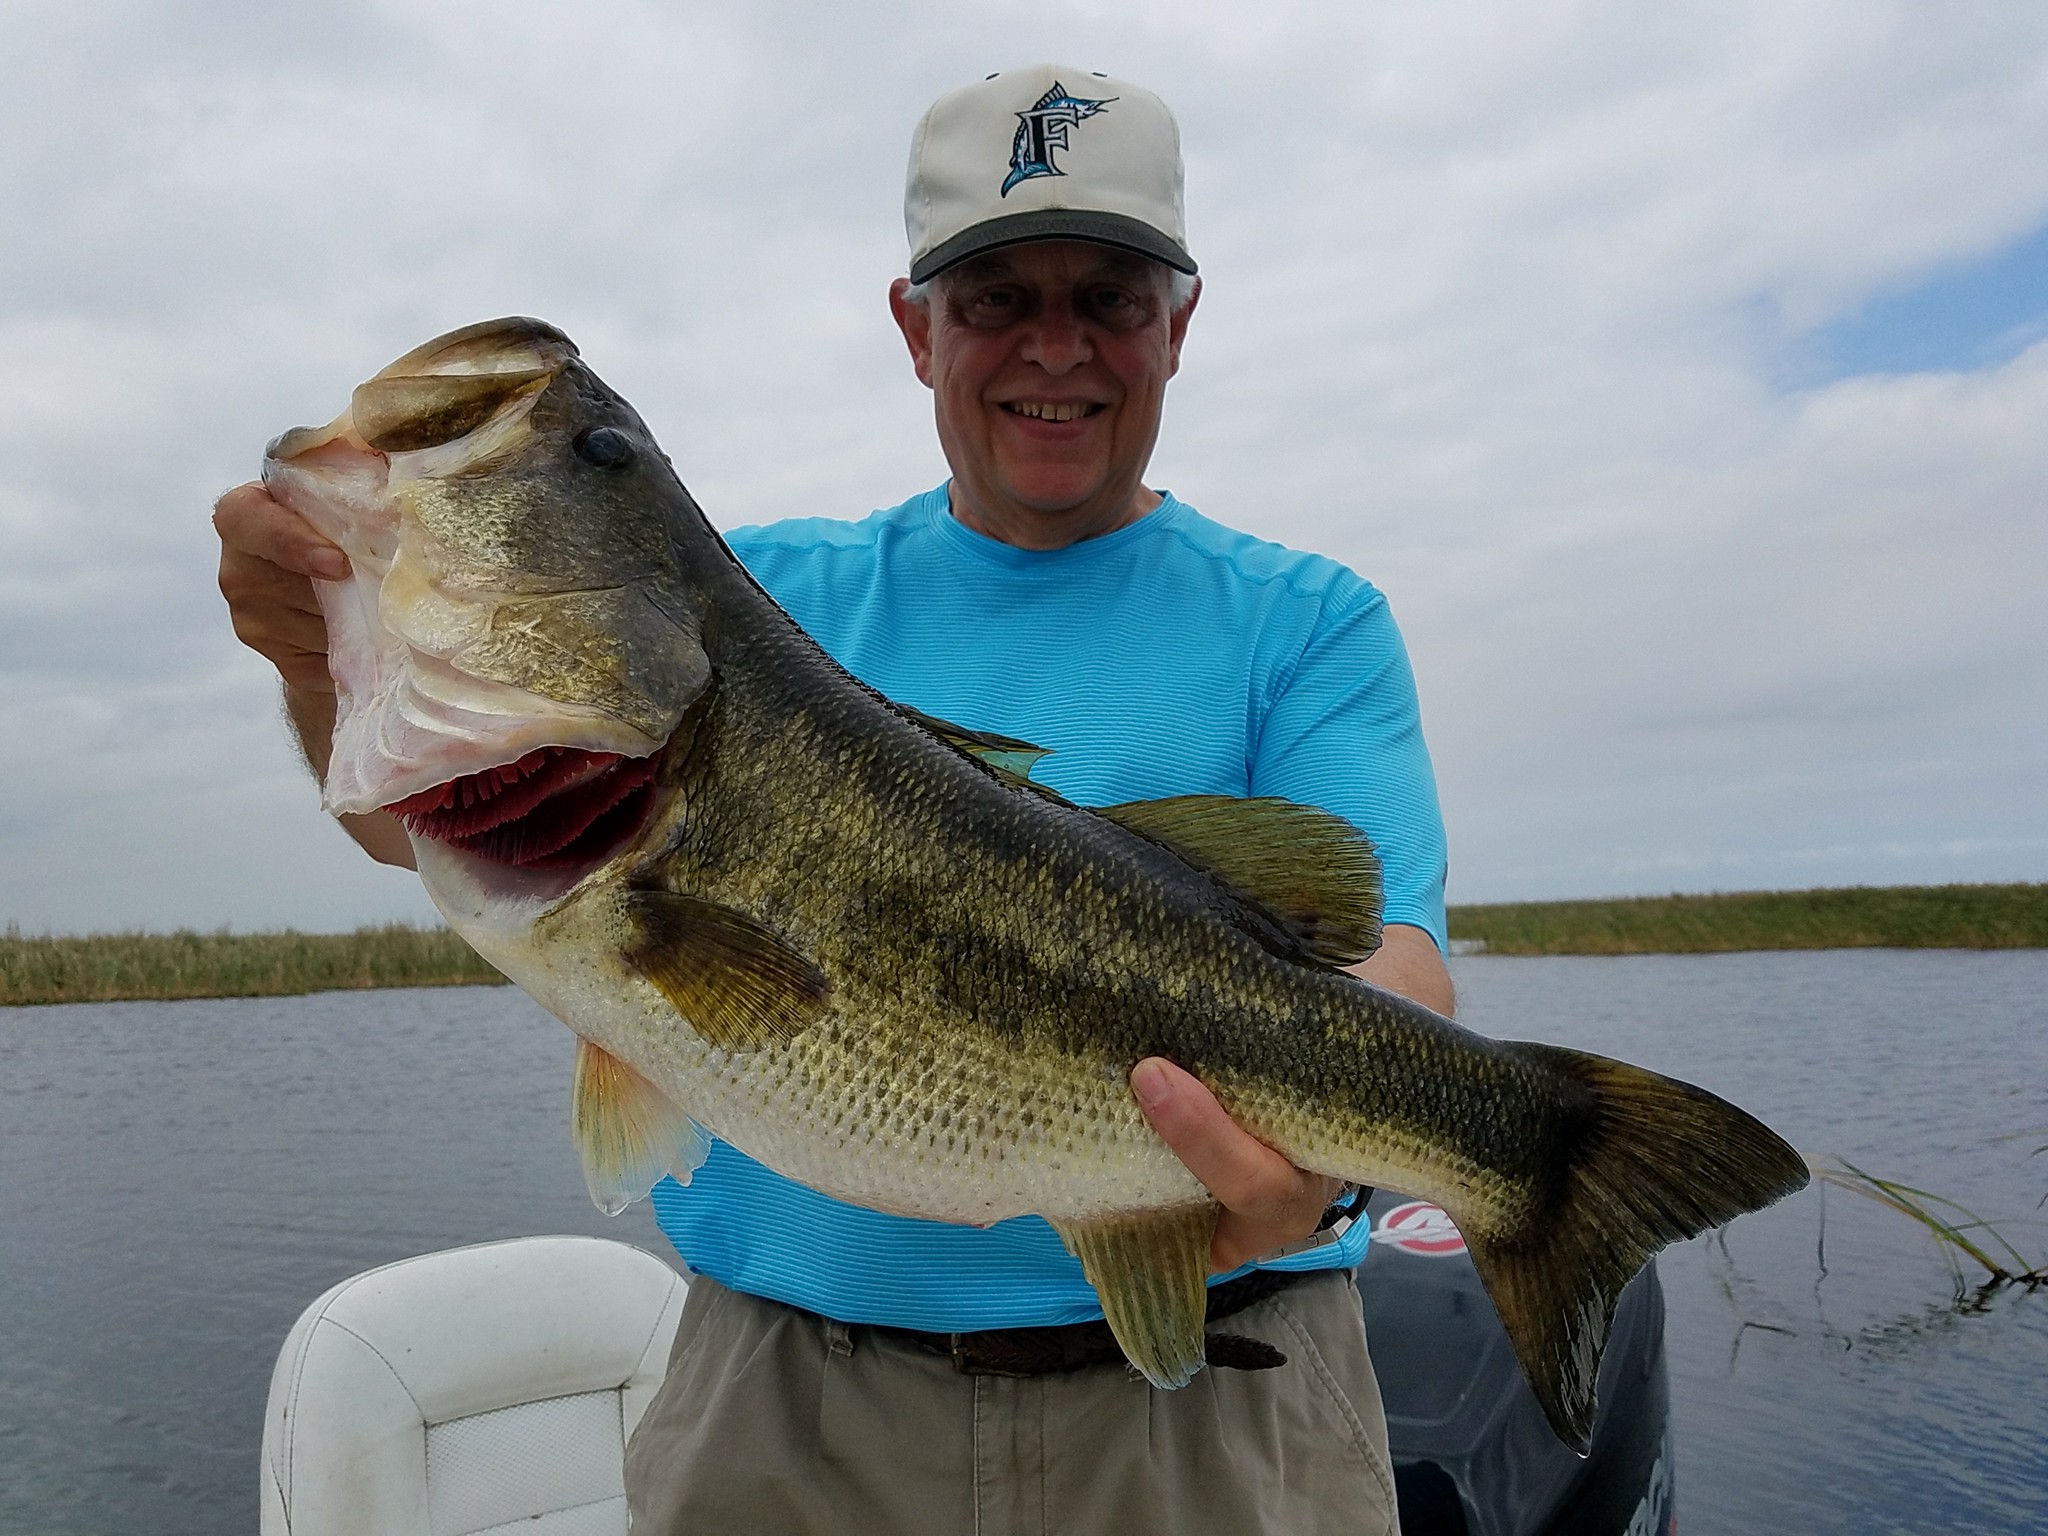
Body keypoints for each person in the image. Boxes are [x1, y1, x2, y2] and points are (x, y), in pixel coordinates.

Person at [216, 64, 1450, 1536]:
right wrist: (321, 661)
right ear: (914, 326)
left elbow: (1396, 972)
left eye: (1108, 295)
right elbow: (412, 819)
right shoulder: (766, 603)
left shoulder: (1304, 622)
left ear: (1177, 323)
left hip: (1215, 1415)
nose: (1054, 346)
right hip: (788, 1413)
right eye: (995, 297)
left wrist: (1339, 1168)